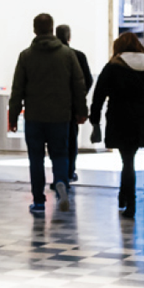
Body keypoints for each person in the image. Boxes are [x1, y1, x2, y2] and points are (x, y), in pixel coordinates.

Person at [6, 12, 87, 215]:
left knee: (36, 158)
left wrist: (13, 116)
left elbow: (18, 89)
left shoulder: (26, 56)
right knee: (60, 155)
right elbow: (78, 84)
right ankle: (60, 183)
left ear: (35, 29)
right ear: (52, 28)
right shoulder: (67, 55)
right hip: (61, 117)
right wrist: (81, 111)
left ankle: (39, 201)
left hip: (34, 117)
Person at [89, 32, 144, 217]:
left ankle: (129, 201)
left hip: (119, 114)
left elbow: (99, 95)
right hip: (141, 114)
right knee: (129, 159)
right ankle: (125, 196)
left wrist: (95, 121)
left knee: (127, 160)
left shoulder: (114, 65)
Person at [55, 24, 91, 190]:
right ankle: (69, 172)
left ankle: (59, 176)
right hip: (72, 106)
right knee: (71, 140)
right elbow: (87, 80)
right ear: (69, 37)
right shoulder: (78, 55)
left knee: (56, 142)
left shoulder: (51, 56)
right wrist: (80, 99)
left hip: (53, 106)